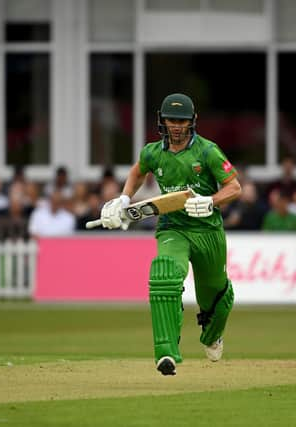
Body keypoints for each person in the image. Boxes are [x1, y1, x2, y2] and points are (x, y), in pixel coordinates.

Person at [100, 93, 241, 375]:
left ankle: (212, 334)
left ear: (192, 122)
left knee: (216, 298)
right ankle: (166, 352)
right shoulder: (153, 152)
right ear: (162, 120)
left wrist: (211, 200)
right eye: (171, 120)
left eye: (181, 121)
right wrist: (124, 200)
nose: (176, 126)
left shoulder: (207, 151)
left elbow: (235, 187)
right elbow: (138, 172)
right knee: (164, 274)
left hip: (208, 230)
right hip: (172, 227)